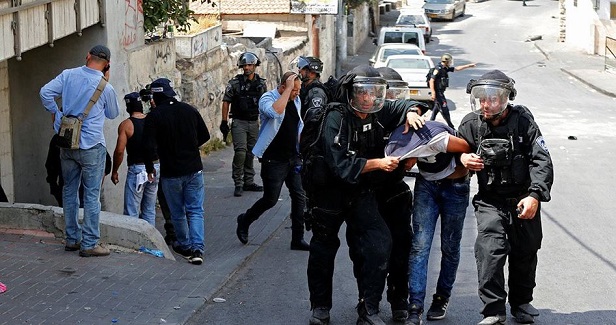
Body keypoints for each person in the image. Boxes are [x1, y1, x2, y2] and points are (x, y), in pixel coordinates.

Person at [304, 65, 423, 325]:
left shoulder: (377, 110)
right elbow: (341, 165)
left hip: (360, 192)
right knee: (324, 248)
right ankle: (320, 308)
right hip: (329, 195)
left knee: (379, 244)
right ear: (351, 93)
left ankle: (368, 310)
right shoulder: (336, 116)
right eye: (363, 93)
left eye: (374, 93)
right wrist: (378, 163)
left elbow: (403, 105)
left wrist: (412, 113)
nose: (369, 99)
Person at [457, 70, 553, 325]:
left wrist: (535, 195)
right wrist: (463, 158)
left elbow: (541, 160)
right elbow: (452, 150)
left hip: (523, 198)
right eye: (482, 99)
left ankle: (521, 303)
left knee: (525, 251)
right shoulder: (471, 124)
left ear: (506, 98)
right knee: (490, 250)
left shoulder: (523, 122)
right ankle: (493, 310)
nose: (486, 105)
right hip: (490, 200)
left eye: (493, 99)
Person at [40, 44, 120, 257]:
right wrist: (106, 82)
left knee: (69, 190)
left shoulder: (67, 75)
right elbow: (113, 113)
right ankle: (90, 243)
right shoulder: (106, 87)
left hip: (67, 143)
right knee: (91, 195)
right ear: (107, 65)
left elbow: (45, 93)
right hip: (92, 146)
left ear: (87, 56)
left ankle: (72, 239)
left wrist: (57, 116)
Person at [235, 71, 310, 251]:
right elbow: (275, 112)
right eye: (294, 90)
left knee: (299, 197)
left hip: (293, 157)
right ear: (283, 87)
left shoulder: (296, 100)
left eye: (298, 90)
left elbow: (297, 126)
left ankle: (297, 239)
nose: (297, 94)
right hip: (274, 160)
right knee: (270, 199)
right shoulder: (267, 98)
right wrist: (287, 92)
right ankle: (245, 219)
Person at [143, 78, 210, 265]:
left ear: (155, 96)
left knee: (177, 212)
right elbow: (205, 135)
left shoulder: (154, 116)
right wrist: (189, 147)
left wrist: (150, 168)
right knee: (196, 210)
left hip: (171, 172)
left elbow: (147, 146)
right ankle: (198, 248)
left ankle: (184, 244)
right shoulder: (189, 110)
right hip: (194, 169)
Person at [221, 52, 267, 197]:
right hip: (239, 122)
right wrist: (224, 122)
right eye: (244, 65)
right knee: (240, 152)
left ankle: (249, 181)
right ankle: (238, 182)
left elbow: (265, 103)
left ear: (255, 66)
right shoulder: (235, 83)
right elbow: (226, 102)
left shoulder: (261, 84)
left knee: (250, 153)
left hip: (253, 122)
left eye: (249, 65)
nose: (247, 68)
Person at [111, 92, 159, 226]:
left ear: (128, 107)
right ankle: (150, 243)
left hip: (138, 169)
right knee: (149, 209)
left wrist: (115, 171)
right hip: (155, 167)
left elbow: (119, 151)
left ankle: (134, 243)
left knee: (131, 211)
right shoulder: (152, 119)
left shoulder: (127, 125)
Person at [429, 53, 476, 129]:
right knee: (444, 108)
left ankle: (431, 121)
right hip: (438, 93)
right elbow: (431, 80)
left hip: (441, 92)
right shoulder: (438, 69)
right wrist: (433, 93)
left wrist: (468, 66)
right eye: (450, 61)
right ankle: (451, 126)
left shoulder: (445, 68)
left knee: (437, 107)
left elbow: (456, 69)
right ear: (446, 61)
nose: (450, 63)